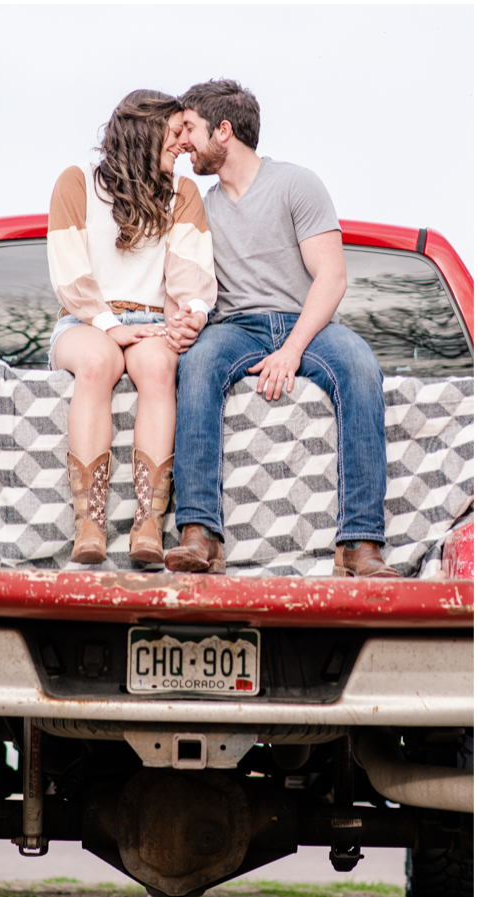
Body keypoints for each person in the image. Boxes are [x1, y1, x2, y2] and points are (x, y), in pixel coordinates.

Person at [162, 79, 399, 578]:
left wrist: (291, 350)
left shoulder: (296, 183)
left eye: (191, 129)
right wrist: (180, 320)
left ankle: (360, 543)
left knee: (360, 366)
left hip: (306, 322)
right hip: (234, 327)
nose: (184, 143)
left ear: (223, 131)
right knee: (198, 363)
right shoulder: (200, 207)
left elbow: (331, 277)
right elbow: (182, 281)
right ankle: (199, 534)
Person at [47, 89, 217, 565]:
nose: (184, 143)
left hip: (151, 321)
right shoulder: (77, 182)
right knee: (97, 361)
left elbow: (190, 270)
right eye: (176, 132)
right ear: (146, 129)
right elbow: (69, 270)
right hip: (83, 318)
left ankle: (148, 525)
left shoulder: (182, 193)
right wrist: (107, 324)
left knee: (160, 368)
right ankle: (89, 525)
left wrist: (192, 314)